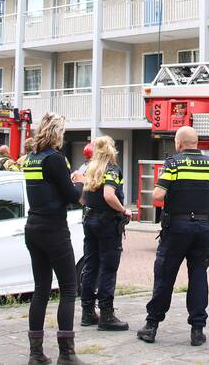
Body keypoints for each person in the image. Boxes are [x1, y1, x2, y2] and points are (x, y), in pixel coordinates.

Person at [137, 126, 209, 347]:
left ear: (178, 143)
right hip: (203, 227)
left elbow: (158, 195)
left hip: (177, 228)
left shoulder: (173, 163)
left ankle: (151, 326)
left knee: (165, 276)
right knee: (199, 276)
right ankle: (197, 331)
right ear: (196, 142)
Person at [23, 113, 86, 364]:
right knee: (69, 288)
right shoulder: (55, 159)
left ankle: (36, 354)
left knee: (41, 289)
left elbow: (47, 188)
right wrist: (79, 182)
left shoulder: (31, 158)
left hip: (33, 227)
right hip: (54, 229)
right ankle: (66, 353)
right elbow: (71, 196)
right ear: (58, 133)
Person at [79, 135, 130, 332]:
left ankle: (87, 312)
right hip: (107, 222)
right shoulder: (112, 169)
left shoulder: (90, 169)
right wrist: (123, 210)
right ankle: (106, 315)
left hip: (89, 219)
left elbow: (82, 198)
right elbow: (109, 195)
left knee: (91, 265)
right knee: (108, 267)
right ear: (112, 150)